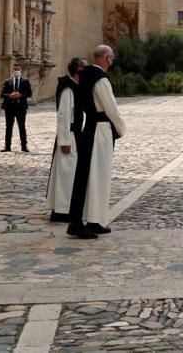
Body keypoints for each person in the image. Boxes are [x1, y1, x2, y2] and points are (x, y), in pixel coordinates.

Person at [67, 45, 127, 239]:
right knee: (97, 174)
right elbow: (111, 108)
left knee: (90, 175)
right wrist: (121, 128)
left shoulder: (85, 75)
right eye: (112, 58)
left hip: (90, 127)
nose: (112, 61)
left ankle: (93, 220)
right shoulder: (100, 80)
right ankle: (82, 222)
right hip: (100, 129)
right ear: (107, 58)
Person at [48, 58, 84, 222]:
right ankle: (62, 210)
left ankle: (68, 208)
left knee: (70, 174)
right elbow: (63, 115)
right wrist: (64, 141)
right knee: (66, 174)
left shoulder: (75, 88)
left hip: (74, 135)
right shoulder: (68, 89)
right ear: (78, 69)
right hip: (68, 136)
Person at [0, 62, 33, 152]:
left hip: (21, 107)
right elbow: (2, 94)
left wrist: (20, 95)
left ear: (21, 70)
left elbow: (29, 93)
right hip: (9, 107)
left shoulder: (25, 81)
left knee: (22, 126)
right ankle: (7, 146)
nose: (16, 71)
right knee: (9, 127)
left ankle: (24, 146)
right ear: (12, 70)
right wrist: (10, 95)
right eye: (15, 69)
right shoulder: (8, 81)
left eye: (18, 69)